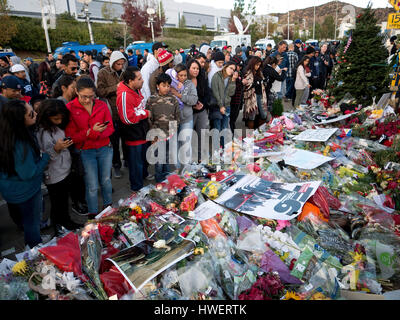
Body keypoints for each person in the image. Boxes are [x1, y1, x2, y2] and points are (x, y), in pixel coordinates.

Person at [0, 99, 50, 248]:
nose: (35, 114)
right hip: (26, 191)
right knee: (31, 222)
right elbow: (29, 173)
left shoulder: (5, 134)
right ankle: (34, 245)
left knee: (24, 220)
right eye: (30, 114)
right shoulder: (20, 143)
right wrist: (45, 157)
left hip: (10, 190)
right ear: (19, 121)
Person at [65, 77, 114, 218]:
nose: (87, 100)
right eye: (83, 97)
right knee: (92, 185)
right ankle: (93, 213)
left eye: (91, 96)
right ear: (76, 92)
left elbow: (110, 128)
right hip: (86, 152)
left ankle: (108, 207)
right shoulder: (70, 108)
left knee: (106, 180)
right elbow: (71, 136)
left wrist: (97, 134)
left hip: (105, 148)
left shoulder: (101, 105)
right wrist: (91, 132)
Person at [36, 99, 83, 234]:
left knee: (63, 201)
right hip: (53, 174)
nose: (59, 121)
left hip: (65, 169)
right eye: (55, 118)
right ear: (47, 116)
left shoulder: (56, 127)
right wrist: (56, 149)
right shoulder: (41, 132)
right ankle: (59, 226)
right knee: (57, 202)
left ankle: (66, 221)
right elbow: (43, 158)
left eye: (61, 118)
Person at [116, 67, 150, 191]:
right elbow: (127, 118)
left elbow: (138, 107)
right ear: (131, 81)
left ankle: (142, 178)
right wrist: (145, 114)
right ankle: (137, 188)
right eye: (139, 79)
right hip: (133, 134)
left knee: (142, 160)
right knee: (136, 164)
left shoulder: (136, 89)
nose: (142, 81)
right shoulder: (124, 94)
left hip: (141, 131)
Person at [97, 50, 128, 179]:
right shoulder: (103, 73)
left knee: (126, 140)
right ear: (112, 63)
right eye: (118, 64)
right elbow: (100, 91)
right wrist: (117, 87)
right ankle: (116, 165)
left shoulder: (125, 72)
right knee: (114, 143)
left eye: (122, 64)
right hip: (112, 113)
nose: (120, 67)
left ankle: (127, 160)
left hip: (125, 111)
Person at [147, 73, 180, 182]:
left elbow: (177, 116)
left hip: (169, 135)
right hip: (157, 136)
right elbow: (148, 119)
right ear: (157, 86)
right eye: (163, 85)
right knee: (159, 161)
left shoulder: (173, 99)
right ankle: (159, 181)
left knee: (167, 158)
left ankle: (167, 180)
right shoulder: (151, 100)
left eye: (168, 86)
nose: (166, 88)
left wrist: (173, 130)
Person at [169, 64, 198, 168]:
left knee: (186, 143)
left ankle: (187, 169)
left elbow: (194, 100)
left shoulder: (189, 84)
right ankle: (177, 169)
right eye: (180, 75)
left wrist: (180, 95)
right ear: (176, 75)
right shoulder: (169, 85)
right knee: (174, 144)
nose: (183, 78)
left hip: (187, 118)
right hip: (172, 119)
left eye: (185, 75)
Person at [210, 61, 237, 149]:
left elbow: (231, 93)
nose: (232, 71)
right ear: (225, 67)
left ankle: (223, 148)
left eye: (234, 69)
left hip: (227, 106)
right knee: (217, 127)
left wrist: (233, 81)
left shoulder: (231, 78)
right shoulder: (216, 76)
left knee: (224, 128)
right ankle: (216, 149)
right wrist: (221, 106)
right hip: (217, 106)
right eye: (231, 68)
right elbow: (215, 93)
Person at [187, 59, 208, 162]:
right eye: (193, 68)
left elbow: (207, 93)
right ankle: (189, 159)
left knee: (202, 135)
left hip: (201, 111)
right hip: (189, 112)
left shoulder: (202, 79)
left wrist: (202, 104)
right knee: (188, 137)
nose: (196, 71)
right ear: (188, 69)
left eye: (197, 68)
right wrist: (192, 106)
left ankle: (201, 157)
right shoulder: (184, 81)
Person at [242, 57, 269, 129]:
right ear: (253, 64)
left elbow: (263, 82)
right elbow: (247, 85)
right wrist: (255, 83)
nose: (258, 66)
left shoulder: (259, 72)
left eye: (259, 65)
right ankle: (251, 133)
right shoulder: (248, 72)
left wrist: (264, 82)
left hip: (261, 95)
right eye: (257, 65)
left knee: (263, 114)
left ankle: (260, 130)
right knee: (252, 115)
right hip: (251, 96)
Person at [229, 62, 244, 133]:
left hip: (237, 103)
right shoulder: (230, 81)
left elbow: (240, 91)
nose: (235, 75)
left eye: (236, 74)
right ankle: (231, 133)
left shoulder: (238, 81)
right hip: (231, 103)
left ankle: (232, 131)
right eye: (234, 74)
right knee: (231, 120)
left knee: (233, 118)